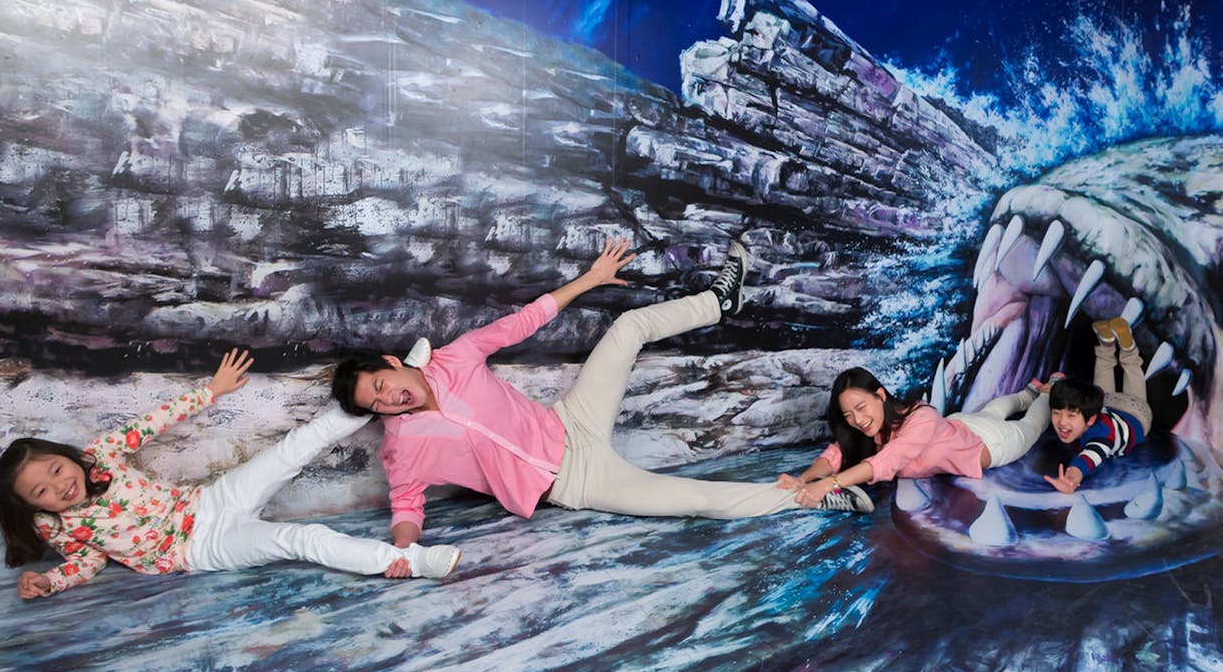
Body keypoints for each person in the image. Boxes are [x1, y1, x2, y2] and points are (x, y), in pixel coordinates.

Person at [331, 238, 873, 548]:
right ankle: (820, 495)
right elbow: (406, 502)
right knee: (698, 500)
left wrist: (590, 279)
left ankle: (717, 303)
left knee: (628, 327)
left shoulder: (456, 357)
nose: (388, 400)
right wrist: (402, 551)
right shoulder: (400, 446)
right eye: (375, 404)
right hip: (573, 480)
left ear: (391, 363)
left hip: (571, 420)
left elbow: (526, 321)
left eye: (382, 385)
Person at [0, 349, 460, 600]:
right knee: (300, 539)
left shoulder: (100, 457)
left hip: (208, 501)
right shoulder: (60, 527)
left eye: (55, 469)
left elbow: (154, 421)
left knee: (290, 451)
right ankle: (412, 562)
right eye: (42, 491)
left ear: (66, 456)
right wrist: (52, 581)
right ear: (32, 507)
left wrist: (210, 391)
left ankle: (394, 387)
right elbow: (87, 562)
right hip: (197, 549)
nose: (60, 486)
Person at [777, 366, 1053, 505]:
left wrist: (829, 485)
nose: (857, 420)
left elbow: (889, 461)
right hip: (962, 424)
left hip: (992, 444)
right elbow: (836, 453)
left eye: (861, 408)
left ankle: (1049, 388)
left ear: (880, 395)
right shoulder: (866, 429)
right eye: (848, 415)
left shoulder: (921, 416)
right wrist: (803, 478)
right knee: (993, 409)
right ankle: (1028, 391)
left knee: (1033, 424)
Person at [1043, 316, 1152, 493]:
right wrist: (1054, 389)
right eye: (1056, 412)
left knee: (1128, 372)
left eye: (1070, 415)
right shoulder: (1089, 411)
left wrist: (1072, 477)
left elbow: (1088, 458)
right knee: (1099, 389)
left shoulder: (1100, 438)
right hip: (1107, 406)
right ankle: (1110, 342)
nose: (1062, 422)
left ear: (1091, 420)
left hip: (1136, 414)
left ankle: (1120, 345)